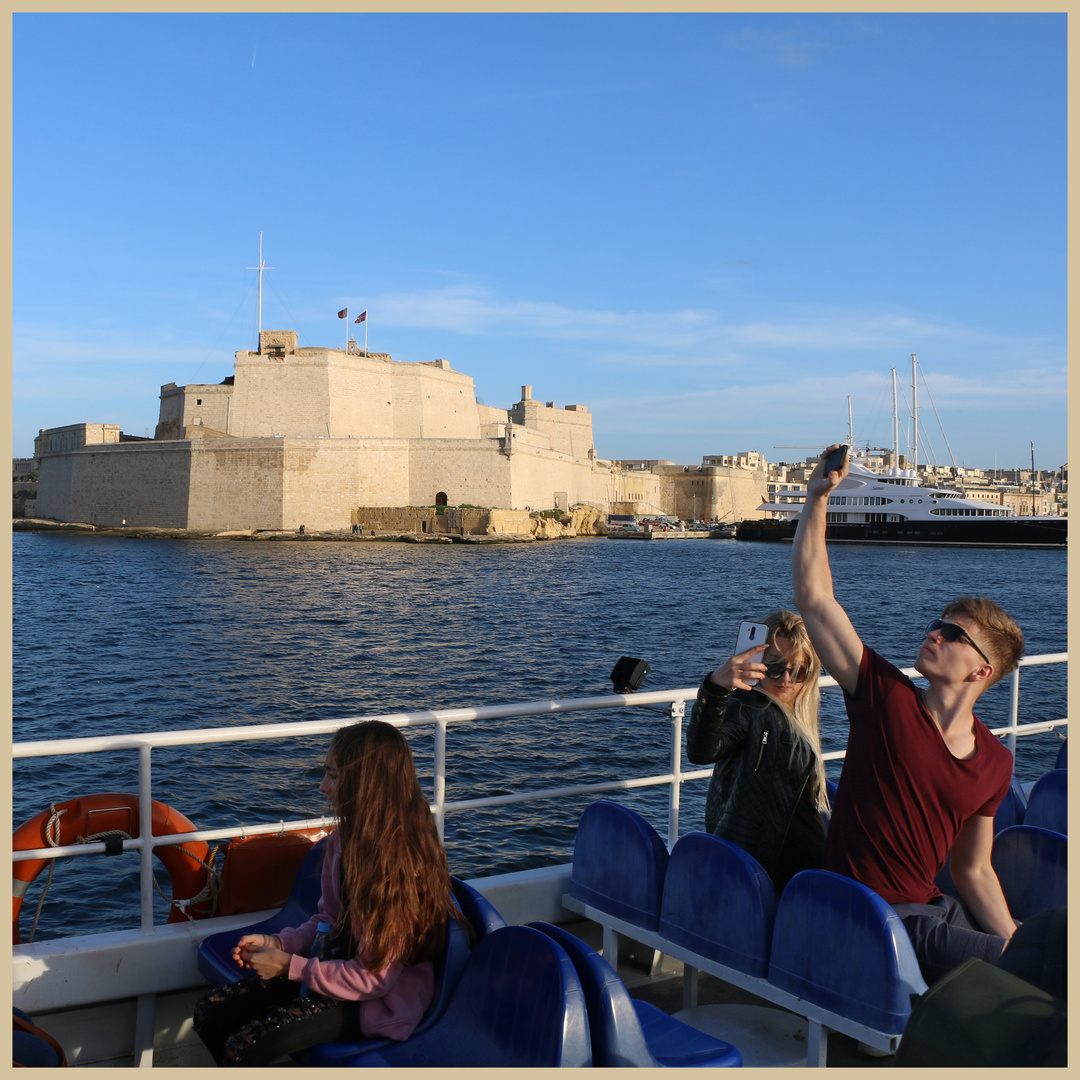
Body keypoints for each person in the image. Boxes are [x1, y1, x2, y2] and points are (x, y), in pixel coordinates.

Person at [791, 445, 1023, 985]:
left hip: (927, 909)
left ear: (982, 672)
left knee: (1038, 945)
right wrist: (816, 500)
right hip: (869, 916)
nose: (934, 633)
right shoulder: (885, 698)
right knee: (1041, 965)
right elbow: (814, 599)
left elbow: (972, 869)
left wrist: (1013, 938)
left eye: (953, 634)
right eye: (937, 624)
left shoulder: (995, 763)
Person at [193, 720, 464, 1066]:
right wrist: (279, 944)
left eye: (334, 776)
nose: (323, 787)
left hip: (375, 1002)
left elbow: (375, 980)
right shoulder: (342, 843)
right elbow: (327, 920)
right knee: (208, 1013)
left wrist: (290, 966)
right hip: (333, 972)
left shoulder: (397, 870)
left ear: (367, 784)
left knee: (243, 1046)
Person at [685, 609, 829, 891]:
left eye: (799, 671)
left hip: (787, 870)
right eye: (774, 668)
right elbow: (702, 751)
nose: (786, 679)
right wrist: (715, 688)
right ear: (755, 665)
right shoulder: (749, 708)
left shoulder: (798, 715)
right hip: (766, 870)